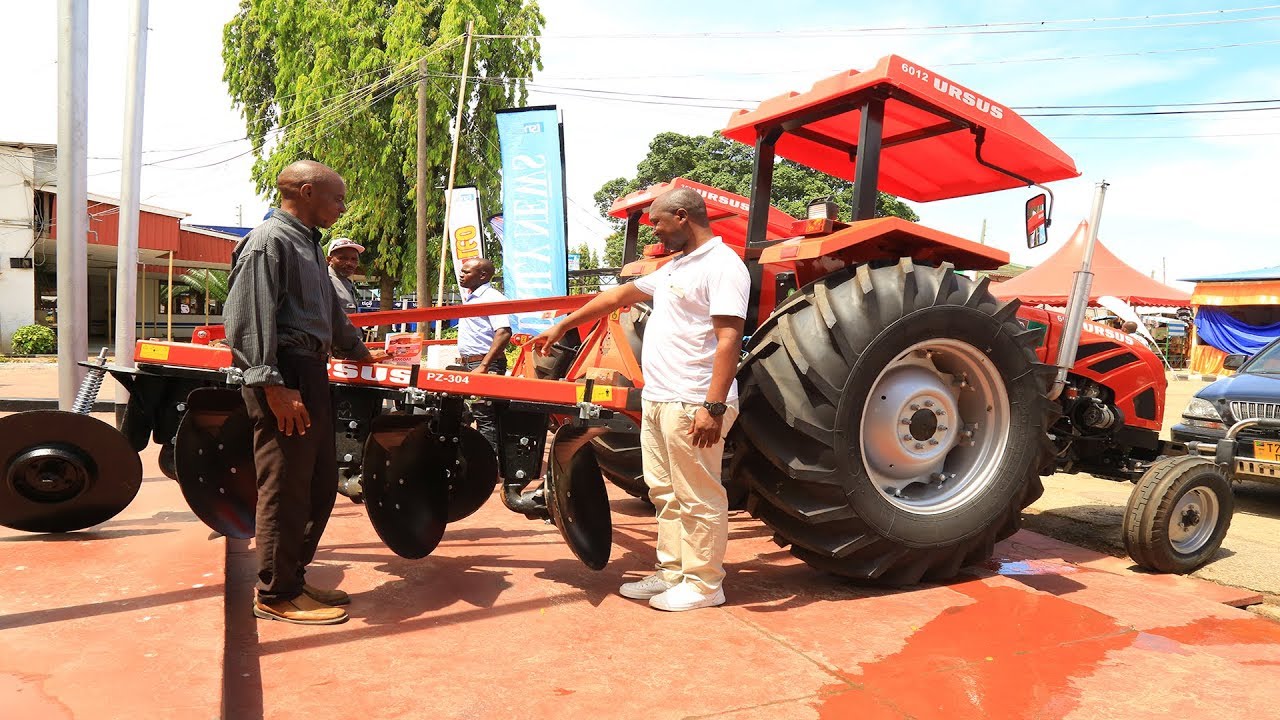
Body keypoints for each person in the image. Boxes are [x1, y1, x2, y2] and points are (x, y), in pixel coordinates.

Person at [532, 188, 749, 612]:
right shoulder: (676, 267)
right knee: (664, 492)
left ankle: (704, 584)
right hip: (660, 398)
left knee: (697, 495)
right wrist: (563, 325)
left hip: (693, 401)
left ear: (682, 216)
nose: (655, 232)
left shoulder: (723, 266)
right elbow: (617, 297)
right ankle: (672, 572)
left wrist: (713, 407)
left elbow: (728, 339)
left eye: (658, 223)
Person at [224, 159, 388, 626]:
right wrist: (273, 385)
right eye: (337, 198)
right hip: (283, 372)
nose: (343, 207)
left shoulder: (309, 246)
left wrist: (361, 353)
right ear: (306, 191)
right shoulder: (269, 242)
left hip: (311, 370)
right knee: (285, 485)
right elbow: (248, 319)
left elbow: (331, 316)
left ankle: (293, 577)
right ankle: (276, 594)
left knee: (318, 483)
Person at [456, 257, 512, 450]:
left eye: (466, 272)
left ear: (483, 275)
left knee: (485, 416)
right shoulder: (472, 297)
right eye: (462, 271)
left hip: (484, 363)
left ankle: (488, 463)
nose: (461, 275)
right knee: (468, 412)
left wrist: (484, 366)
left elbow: (504, 332)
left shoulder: (493, 298)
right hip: (471, 363)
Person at [327, 237, 364, 313]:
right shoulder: (324, 280)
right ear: (329, 260)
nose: (349, 263)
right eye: (343, 258)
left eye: (354, 259)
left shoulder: (347, 282)